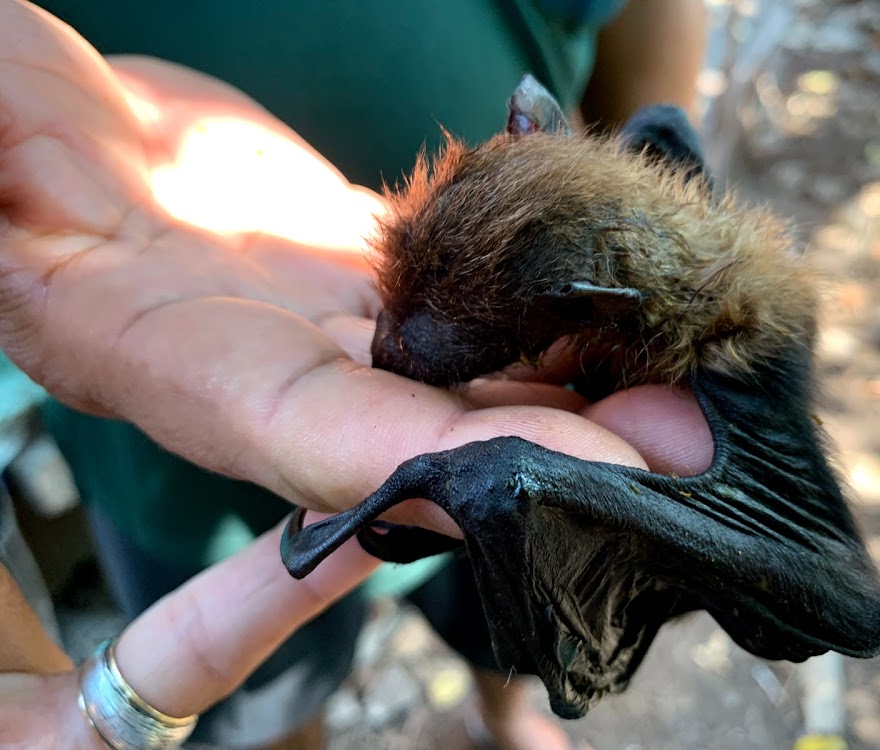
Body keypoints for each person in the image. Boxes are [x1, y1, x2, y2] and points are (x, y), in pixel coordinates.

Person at [0, 1, 711, 748]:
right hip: (165, 435)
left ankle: (499, 720)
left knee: (509, 586)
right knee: (257, 680)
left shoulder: (586, 313)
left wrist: (636, 183)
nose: (388, 346)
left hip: (513, 411)